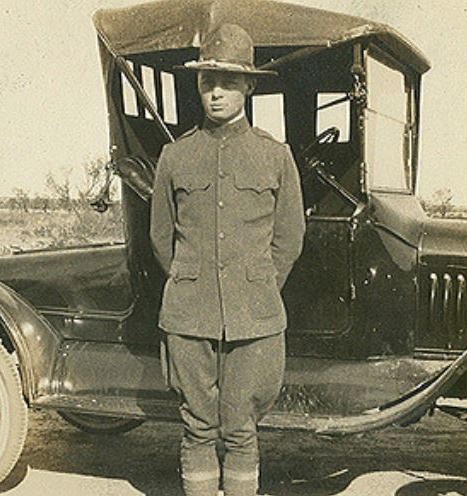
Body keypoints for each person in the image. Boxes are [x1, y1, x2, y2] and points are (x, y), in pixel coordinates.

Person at [149, 23, 305, 496]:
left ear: (249, 86)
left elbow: (289, 237)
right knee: (197, 428)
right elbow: (160, 238)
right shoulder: (175, 157)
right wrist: (191, 281)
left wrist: (256, 283)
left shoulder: (274, 157)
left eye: (228, 82)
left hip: (254, 319)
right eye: (207, 82)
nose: (215, 93)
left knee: (240, 430)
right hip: (189, 315)